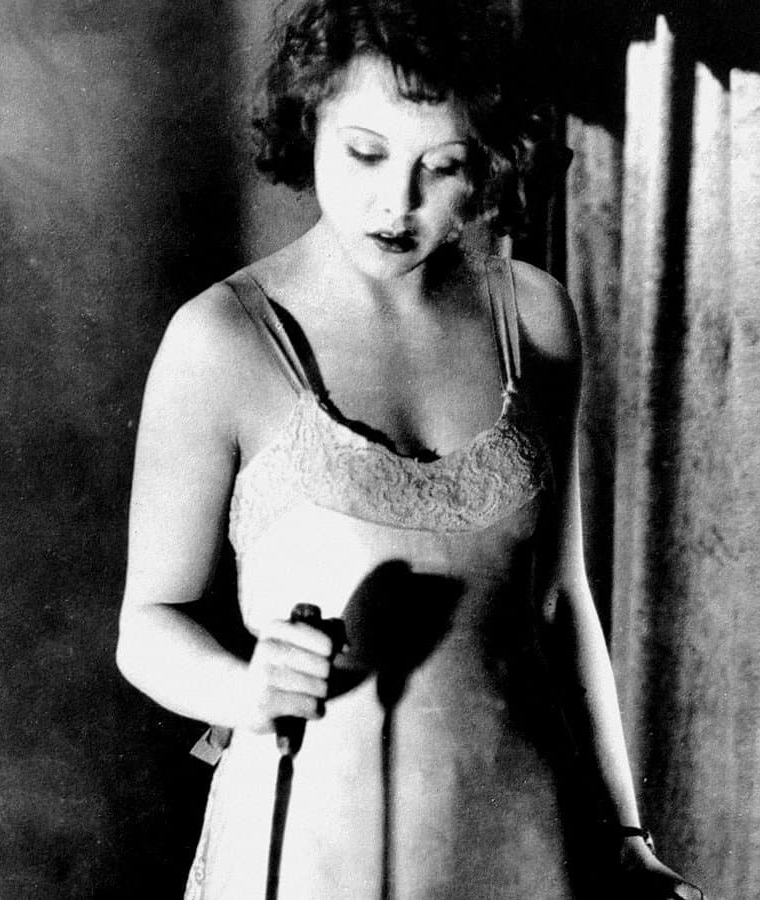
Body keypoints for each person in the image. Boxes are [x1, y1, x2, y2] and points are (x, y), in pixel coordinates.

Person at [114, 2, 701, 897]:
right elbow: (148, 625)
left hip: (520, 845)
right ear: (310, 122)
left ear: (487, 162)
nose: (398, 201)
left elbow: (559, 605)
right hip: (311, 853)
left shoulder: (534, 318)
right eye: (366, 153)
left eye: (445, 165)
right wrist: (245, 691)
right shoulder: (220, 339)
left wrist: (624, 834)